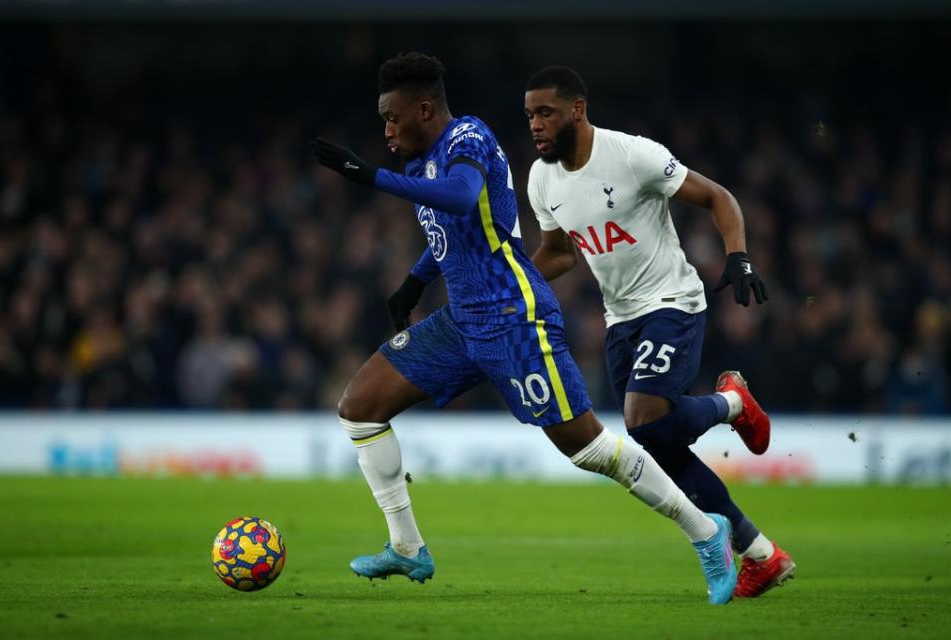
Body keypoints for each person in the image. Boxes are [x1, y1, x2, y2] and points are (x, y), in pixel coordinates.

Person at [310, 51, 737, 604]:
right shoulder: (419, 160)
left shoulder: (468, 138)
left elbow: (463, 197)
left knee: (587, 449)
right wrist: (416, 281)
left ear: (424, 108)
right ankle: (408, 547)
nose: (386, 130)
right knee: (359, 406)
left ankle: (707, 533)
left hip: (514, 317)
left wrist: (369, 177)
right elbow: (458, 232)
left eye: (393, 118)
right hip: (462, 319)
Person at [523, 66, 795, 598]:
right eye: (530, 114)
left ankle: (731, 403)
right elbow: (559, 253)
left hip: (673, 302)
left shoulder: (632, 155)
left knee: (641, 417)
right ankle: (760, 554)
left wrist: (737, 256)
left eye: (545, 112)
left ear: (577, 109)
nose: (535, 124)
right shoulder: (541, 178)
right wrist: (514, 285)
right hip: (620, 318)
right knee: (656, 444)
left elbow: (718, 196)